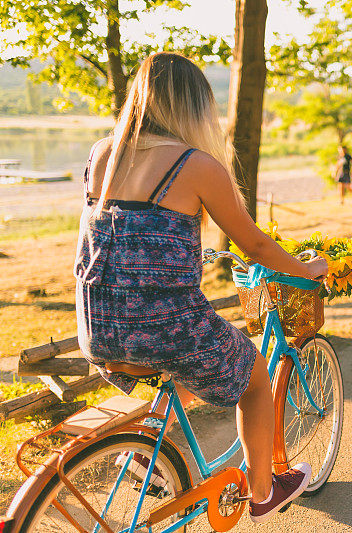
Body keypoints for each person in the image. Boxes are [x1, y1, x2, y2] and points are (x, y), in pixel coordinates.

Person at [74, 52, 329, 523]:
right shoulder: (196, 164)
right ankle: (263, 489)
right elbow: (252, 242)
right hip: (163, 325)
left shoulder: (102, 153)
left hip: (100, 326)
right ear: (193, 106)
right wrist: (306, 267)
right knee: (253, 376)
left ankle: (141, 457)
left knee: (187, 368)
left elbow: (123, 235)